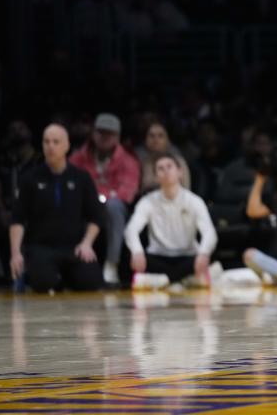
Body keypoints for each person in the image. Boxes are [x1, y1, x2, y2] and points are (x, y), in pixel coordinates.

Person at [9, 125, 104, 293]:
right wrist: (16, 253)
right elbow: (17, 219)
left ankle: (66, 278)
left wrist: (87, 243)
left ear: (67, 146)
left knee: (91, 281)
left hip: (74, 247)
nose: (51, 146)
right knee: (43, 282)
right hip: (41, 247)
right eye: (46, 142)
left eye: (56, 142)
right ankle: (50, 278)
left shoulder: (81, 177)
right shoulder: (29, 178)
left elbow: (95, 217)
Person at [69, 113, 140, 285]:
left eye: (110, 133)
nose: (104, 137)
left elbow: (127, 192)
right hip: (85, 208)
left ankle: (111, 263)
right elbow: (69, 182)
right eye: (100, 132)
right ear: (93, 133)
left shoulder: (128, 161)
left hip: (113, 209)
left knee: (114, 207)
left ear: (117, 136)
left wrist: (102, 198)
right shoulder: (78, 157)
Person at [125, 154, 217, 286]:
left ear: (180, 172)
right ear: (156, 177)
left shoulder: (194, 201)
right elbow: (131, 229)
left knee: (206, 257)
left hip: (187, 256)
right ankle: (182, 280)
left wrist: (203, 253)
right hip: (158, 257)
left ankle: (164, 280)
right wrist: (137, 251)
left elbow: (209, 232)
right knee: (134, 258)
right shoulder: (147, 201)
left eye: (169, 166)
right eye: (160, 169)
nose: (166, 171)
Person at [0, 120, 39, 281]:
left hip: (30, 213)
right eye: (13, 129)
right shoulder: (4, 160)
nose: (17, 132)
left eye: (21, 128)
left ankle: (25, 275)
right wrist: (2, 211)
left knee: (24, 229)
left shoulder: (38, 160)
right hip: (6, 210)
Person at [135, 122, 191, 195]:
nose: (156, 140)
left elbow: (186, 188)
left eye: (160, 136)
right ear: (145, 140)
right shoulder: (139, 162)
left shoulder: (179, 161)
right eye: (151, 136)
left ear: (167, 141)